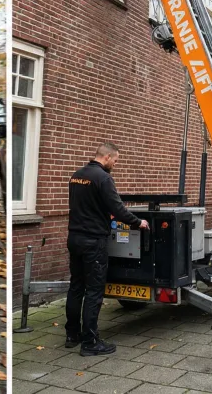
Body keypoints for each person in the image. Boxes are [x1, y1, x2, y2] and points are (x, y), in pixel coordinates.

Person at [66, 143, 148, 357]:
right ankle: (90, 342)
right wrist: (137, 222)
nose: (115, 164)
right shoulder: (103, 178)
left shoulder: (77, 175)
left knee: (76, 287)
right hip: (93, 241)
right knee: (94, 291)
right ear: (107, 157)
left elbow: (85, 205)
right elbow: (117, 208)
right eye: (115, 160)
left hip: (74, 238)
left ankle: (72, 335)